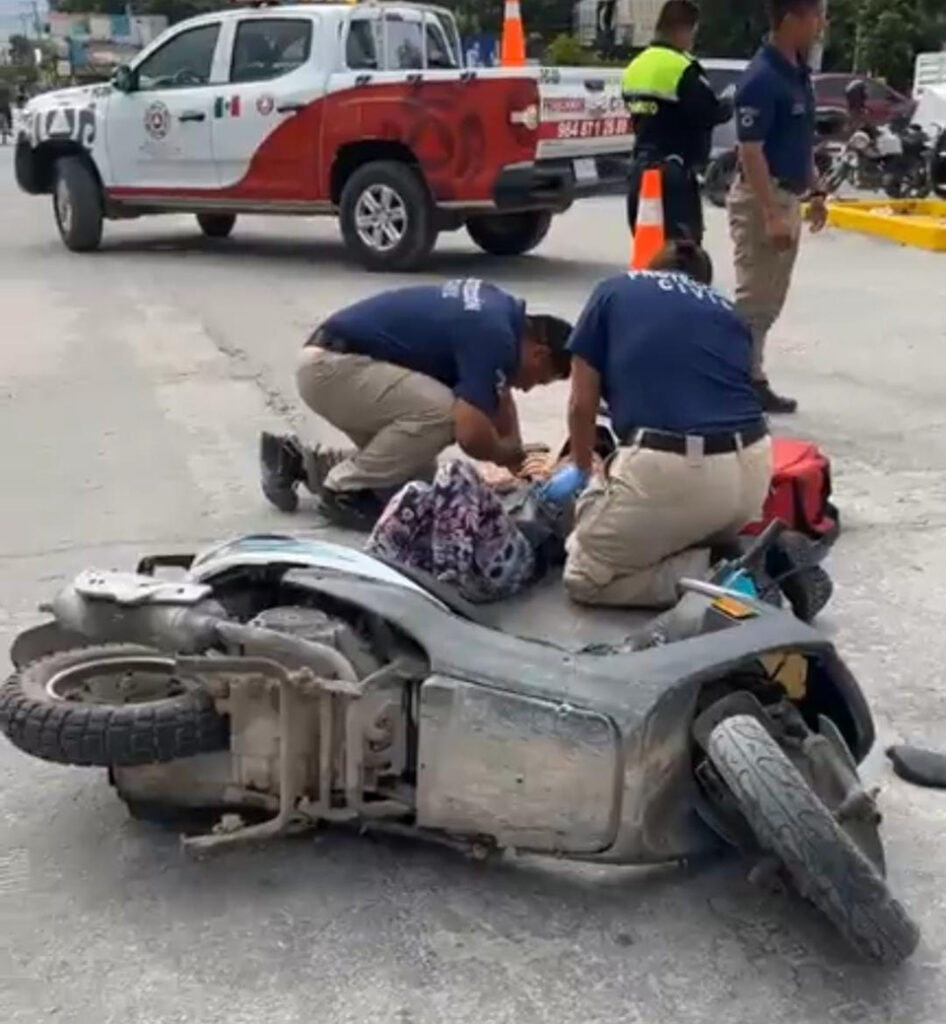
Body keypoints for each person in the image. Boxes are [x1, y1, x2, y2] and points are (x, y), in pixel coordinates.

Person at [545, 240, 773, 610]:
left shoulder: (614, 290)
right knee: (669, 523)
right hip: (753, 476)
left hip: (677, 472)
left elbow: (581, 403)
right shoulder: (730, 314)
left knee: (584, 577)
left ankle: (718, 574)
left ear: (650, 268)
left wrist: (583, 470)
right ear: (703, 283)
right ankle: (736, 553)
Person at [259, 280, 572, 527]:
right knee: (445, 416)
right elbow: (470, 435)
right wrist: (505, 453)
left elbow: (499, 393)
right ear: (539, 354)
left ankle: (298, 462)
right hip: (333, 368)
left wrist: (514, 454)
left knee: (415, 478)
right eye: (541, 379)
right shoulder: (495, 334)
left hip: (336, 363)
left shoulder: (499, 314)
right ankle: (345, 491)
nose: (530, 389)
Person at [728, 0, 828, 415]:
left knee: (769, 298)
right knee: (753, 296)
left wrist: (815, 189)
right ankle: (736, 379)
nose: (821, 25)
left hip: (788, 194)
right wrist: (770, 213)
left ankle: (750, 375)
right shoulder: (762, 78)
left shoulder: (797, 73)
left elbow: (799, 141)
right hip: (761, 196)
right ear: (791, 20)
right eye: (815, 16)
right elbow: (751, 152)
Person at [621, 0, 732, 245]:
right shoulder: (682, 67)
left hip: (639, 172)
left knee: (647, 247)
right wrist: (729, 104)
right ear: (683, 30)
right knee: (681, 253)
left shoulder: (635, 67)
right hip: (673, 174)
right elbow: (708, 112)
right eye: (692, 33)